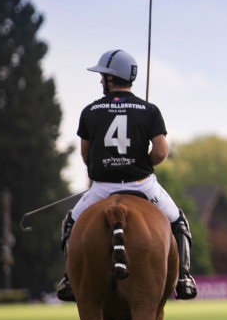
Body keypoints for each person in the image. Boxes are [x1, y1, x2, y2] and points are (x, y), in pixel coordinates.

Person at [56, 49, 197, 301]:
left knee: (70, 223)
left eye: (103, 76)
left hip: (102, 188)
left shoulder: (90, 111)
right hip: (143, 185)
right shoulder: (149, 110)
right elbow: (161, 151)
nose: (101, 80)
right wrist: (141, 163)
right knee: (179, 222)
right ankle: (184, 277)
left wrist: (107, 167)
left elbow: (86, 156)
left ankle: (68, 279)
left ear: (112, 77)